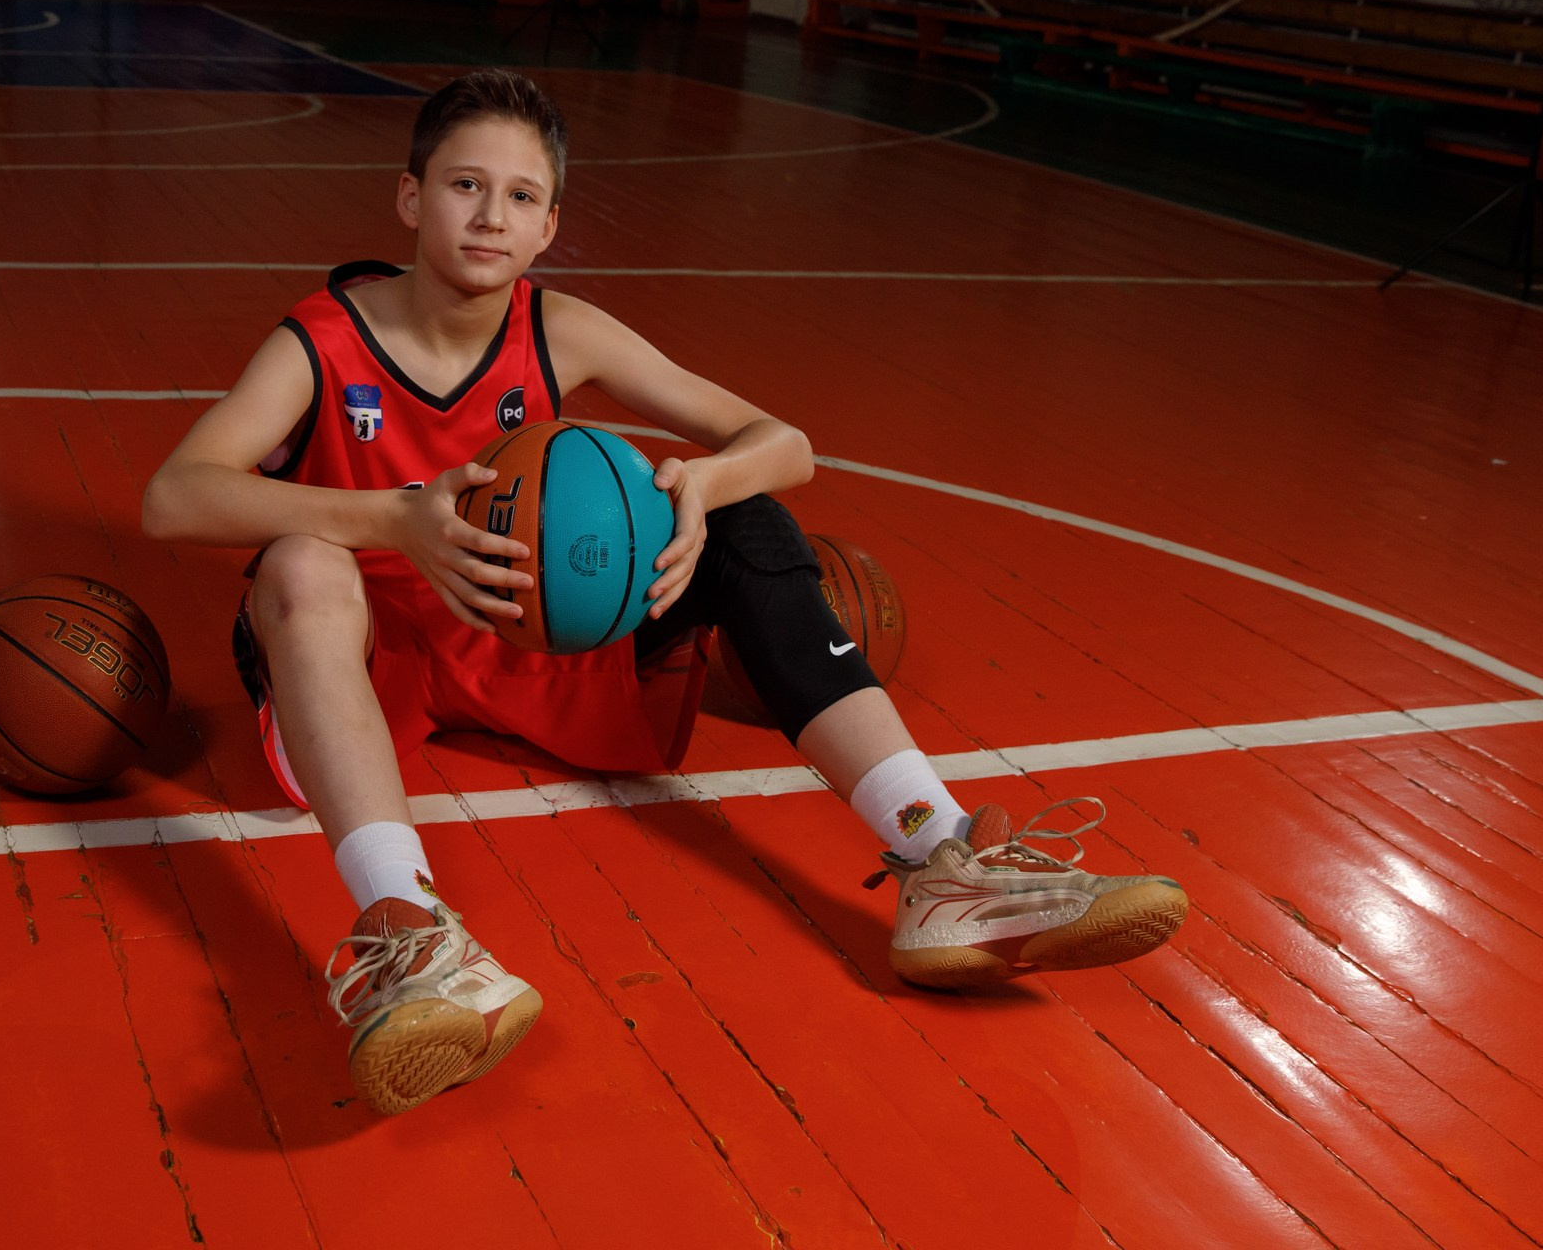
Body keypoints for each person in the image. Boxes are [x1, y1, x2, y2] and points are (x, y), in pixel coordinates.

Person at [140, 69, 1187, 1116]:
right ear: (410, 197)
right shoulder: (323, 338)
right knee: (299, 561)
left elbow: (785, 446)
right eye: (464, 185)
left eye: (518, 196)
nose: (489, 214)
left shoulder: (562, 332)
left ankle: (943, 860)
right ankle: (411, 935)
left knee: (748, 517)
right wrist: (396, 522)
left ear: (549, 224)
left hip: (536, 644)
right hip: (370, 660)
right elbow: (173, 497)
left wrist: (702, 490)